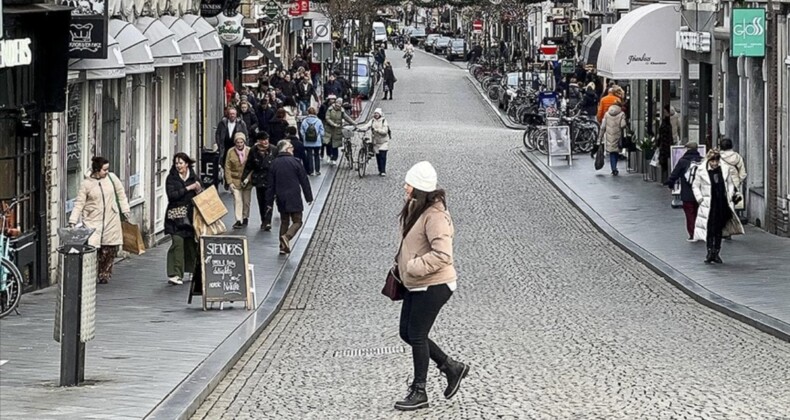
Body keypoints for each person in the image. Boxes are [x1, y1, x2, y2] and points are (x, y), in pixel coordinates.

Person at [394, 161, 468, 411]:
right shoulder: (416, 207)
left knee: (416, 334)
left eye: (409, 184)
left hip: (435, 284)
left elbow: (443, 255)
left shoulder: (436, 215)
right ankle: (451, 367)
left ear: (419, 188)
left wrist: (413, 266)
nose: (405, 187)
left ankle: (420, 390)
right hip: (416, 284)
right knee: (407, 332)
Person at [69, 156, 131, 285]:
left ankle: (104, 273)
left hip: (111, 218)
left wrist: (125, 210)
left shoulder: (112, 178)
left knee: (110, 248)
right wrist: (73, 220)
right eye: (104, 170)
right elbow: (79, 203)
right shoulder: (86, 184)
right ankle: (92, 273)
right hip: (93, 219)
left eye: (108, 169)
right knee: (94, 249)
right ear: (97, 170)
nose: (107, 172)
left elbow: (121, 194)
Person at [692, 149, 745, 263]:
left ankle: (716, 252)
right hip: (708, 204)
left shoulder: (724, 169)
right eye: (712, 161)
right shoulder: (701, 170)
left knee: (719, 229)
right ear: (708, 160)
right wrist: (700, 198)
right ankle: (709, 251)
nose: (715, 163)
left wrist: (730, 194)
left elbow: (730, 183)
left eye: (716, 161)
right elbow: (695, 186)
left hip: (722, 203)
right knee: (710, 228)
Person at [265, 140, 314, 255]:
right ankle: (286, 237)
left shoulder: (274, 163)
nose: (293, 149)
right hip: (294, 196)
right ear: (286, 149)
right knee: (298, 221)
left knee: (284, 221)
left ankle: (282, 247)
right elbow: (304, 181)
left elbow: (270, 185)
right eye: (291, 147)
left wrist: (269, 202)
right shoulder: (296, 162)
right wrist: (309, 197)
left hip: (280, 196)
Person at [164, 153, 203, 285]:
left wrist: (198, 190)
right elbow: (172, 195)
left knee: (191, 244)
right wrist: (188, 188)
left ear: (187, 164)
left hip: (191, 216)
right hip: (175, 216)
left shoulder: (193, 177)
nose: (178, 166)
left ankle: (192, 270)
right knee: (177, 242)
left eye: (181, 163)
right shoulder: (171, 178)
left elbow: (201, 194)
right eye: (176, 163)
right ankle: (175, 274)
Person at [664, 142, 703, 241]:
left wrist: (670, 184)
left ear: (687, 149)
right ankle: (701, 232)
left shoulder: (683, 161)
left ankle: (693, 234)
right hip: (701, 192)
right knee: (700, 213)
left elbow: (674, 175)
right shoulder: (702, 161)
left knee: (690, 214)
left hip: (687, 193)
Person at [241, 132, 277, 231]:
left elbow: (277, 165)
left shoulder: (273, 150)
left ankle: (268, 222)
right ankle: (263, 220)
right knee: (261, 202)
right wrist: (244, 178)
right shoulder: (253, 150)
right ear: (259, 141)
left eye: (266, 139)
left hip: (270, 180)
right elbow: (249, 165)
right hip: (259, 180)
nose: (265, 142)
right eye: (263, 140)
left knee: (269, 201)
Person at [225, 132, 252, 229]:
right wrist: (229, 182)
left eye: (241, 142)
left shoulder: (249, 151)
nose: (239, 144)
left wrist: (248, 179)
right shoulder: (230, 152)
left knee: (246, 201)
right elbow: (227, 167)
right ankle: (238, 220)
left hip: (247, 181)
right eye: (237, 142)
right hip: (235, 180)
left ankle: (245, 217)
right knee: (237, 200)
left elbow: (252, 167)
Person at [356, 108, 390, 176]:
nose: (376, 115)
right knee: (378, 156)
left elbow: (385, 131)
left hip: (384, 141)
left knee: (383, 155)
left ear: (380, 114)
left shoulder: (384, 121)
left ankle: (383, 171)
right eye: (375, 113)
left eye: (377, 113)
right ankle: (380, 170)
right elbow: (366, 126)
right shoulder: (372, 121)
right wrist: (359, 128)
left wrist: (377, 130)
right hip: (376, 142)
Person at [597, 100, 627, 176]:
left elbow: (603, 127)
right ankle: (614, 168)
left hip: (609, 136)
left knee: (612, 152)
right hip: (618, 135)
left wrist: (599, 138)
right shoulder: (621, 114)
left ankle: (613, 168)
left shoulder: (607, 114)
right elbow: (623, 125)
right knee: (616, 152)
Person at [324, 98, 357, 165]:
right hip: (329, 130)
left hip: (337, 130)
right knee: (329, 144)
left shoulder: (341, 111)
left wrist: (354, 122)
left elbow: (346, 118)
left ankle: (334, 159)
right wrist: (333, 124)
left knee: (335, 145)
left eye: (339, 105)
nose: (338, 107)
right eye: (337, 105)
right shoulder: (330, 109)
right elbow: (327, 118)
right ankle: (329, 155)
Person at [719, 138, 747, 205]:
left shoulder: (718, 157)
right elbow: (742, 172)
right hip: (735, 182)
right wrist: (739, 180)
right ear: (731, 146)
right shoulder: (737, 157)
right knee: (733, 202)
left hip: (721, 182)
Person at [300, 106, 325, 176]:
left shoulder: (304, 121)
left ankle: (310, 170)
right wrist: (319, 137)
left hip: (307, 142)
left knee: (309, 155)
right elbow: (322, 132)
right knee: (317, 155)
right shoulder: (319, 121)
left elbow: (301, 131)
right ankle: (317, 170)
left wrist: (304, 137)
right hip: (317, 142)